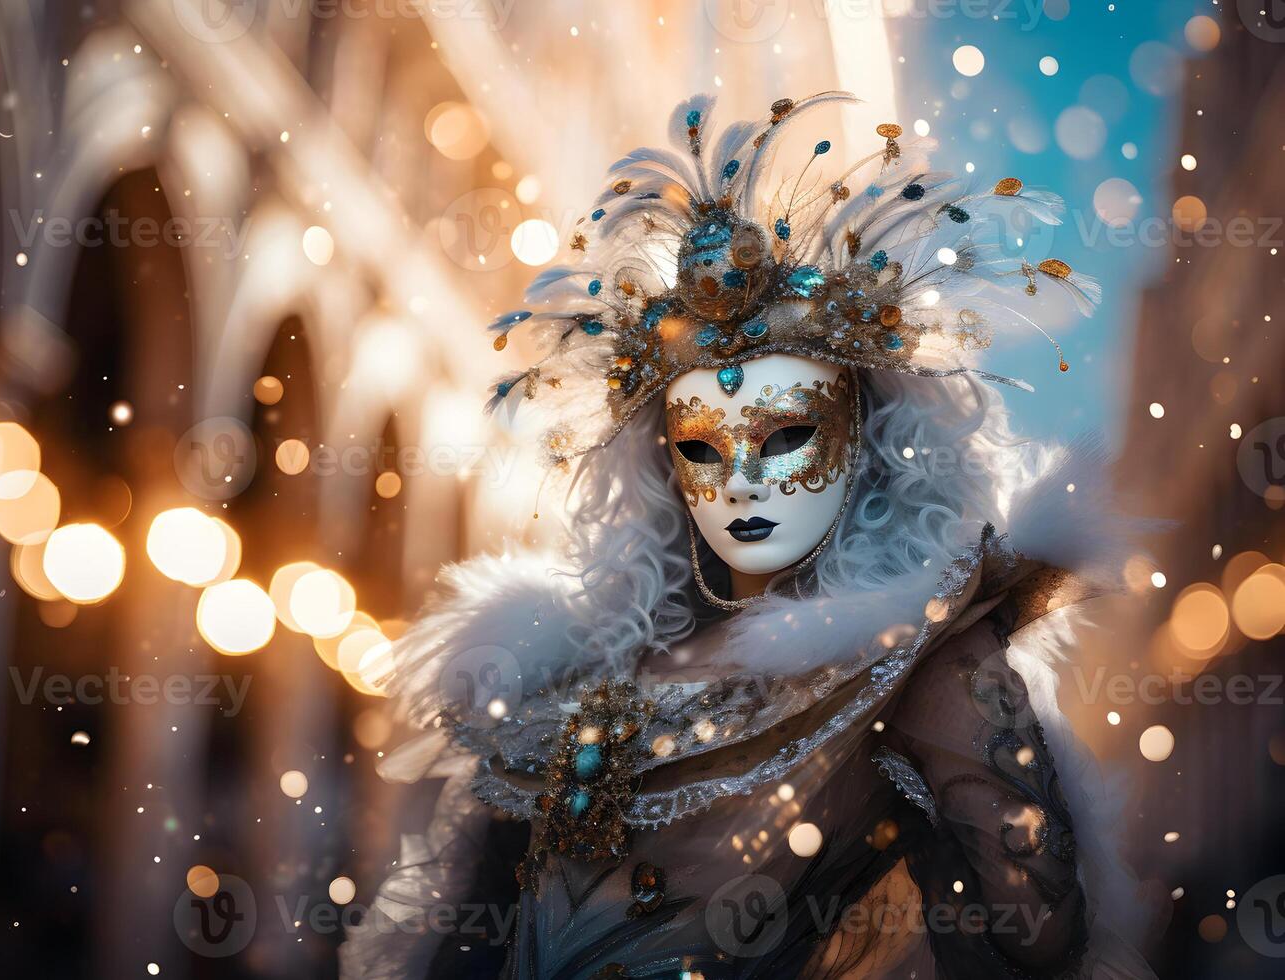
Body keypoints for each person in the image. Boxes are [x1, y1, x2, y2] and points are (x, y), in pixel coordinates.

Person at [343, 93, 1158, 979]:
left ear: (871, 447)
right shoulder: (574, 671)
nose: (737, 481)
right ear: (662, 466)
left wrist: (967, 694)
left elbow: (1037, 939)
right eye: (700, 447)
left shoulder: (910, 663)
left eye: (783, 437)